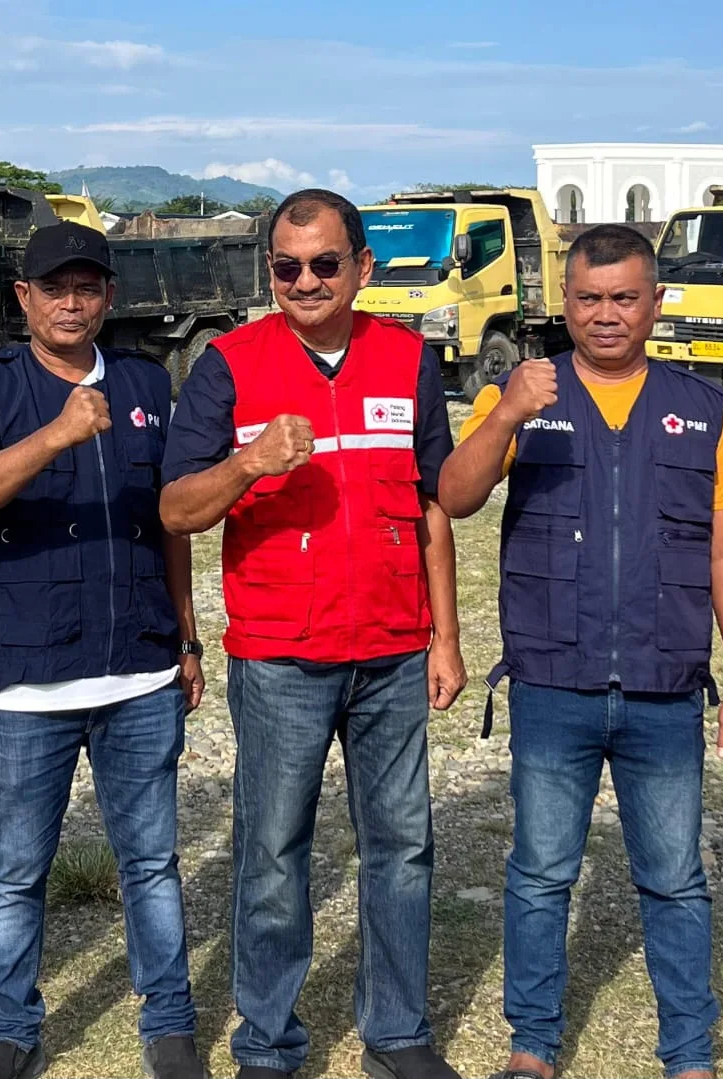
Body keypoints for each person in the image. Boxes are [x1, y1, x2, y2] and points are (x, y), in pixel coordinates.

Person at [440, 224, 723, 1079]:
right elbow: (456, 495)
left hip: (664, 685)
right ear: (565, 302)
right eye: (588, 298)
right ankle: (532, 1045)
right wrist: (507, 410)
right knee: (542, 872)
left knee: (676, 877)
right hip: (555, 680)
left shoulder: (704, 410)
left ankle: (689, 1054)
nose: (606, 315)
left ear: (655, 302)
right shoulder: (525, 391)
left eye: (624, 298)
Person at [160, 188, 466, 1079]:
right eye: (287, 266)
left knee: (402, 847)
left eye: (325, 263)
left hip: (392, 650)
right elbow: (176, 508)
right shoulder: (228, 364)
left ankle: (397, 1033)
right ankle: (267, 1040)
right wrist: (249, 462)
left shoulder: (408, 359)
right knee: (272, 851)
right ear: (270, 271)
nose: (305, 281)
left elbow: (433, 505)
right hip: (281, 655)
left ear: (362, 267)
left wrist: (446, 637)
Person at [0, 221, 207, 1079]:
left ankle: (169, 1024)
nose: (70, 302)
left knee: (152, 863)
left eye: (86, 287)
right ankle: (10, 1029)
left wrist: (187, 634)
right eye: (53, 287)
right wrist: (57, 432)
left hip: (141, 670)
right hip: (29, 680)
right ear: (23, 297)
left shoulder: (146, 382)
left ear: (108, 297)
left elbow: (170, 519)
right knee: (17, 871)